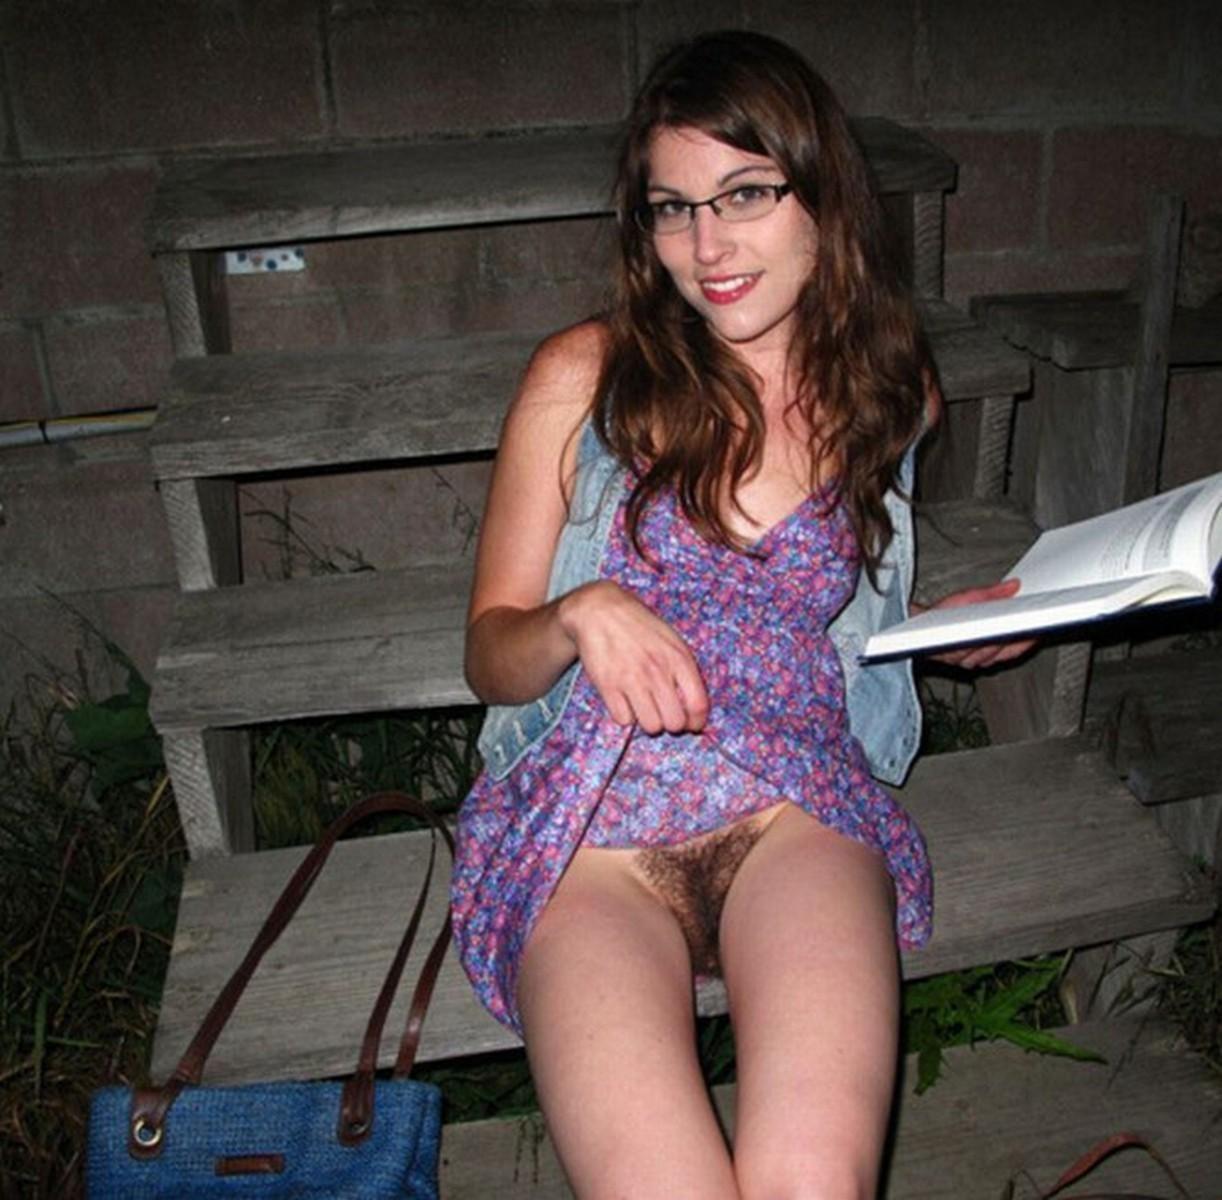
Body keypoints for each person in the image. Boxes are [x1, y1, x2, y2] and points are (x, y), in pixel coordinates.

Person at [450, 30, 1028, 1198]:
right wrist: (576, 616)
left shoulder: (888, 389)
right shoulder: (583, 378)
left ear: (823, 196)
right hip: (590, 835)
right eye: (673, 209)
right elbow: (489, 653)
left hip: (793, 809)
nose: (706, 247)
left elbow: (831, 610)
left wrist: (938, 635)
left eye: (745, 195)